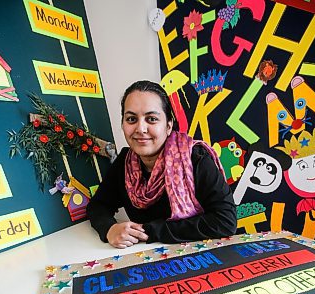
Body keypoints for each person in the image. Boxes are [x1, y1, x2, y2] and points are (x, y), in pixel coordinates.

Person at [87, 80, 237, 248]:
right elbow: (98, 205)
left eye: (151, 119)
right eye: (131, 119)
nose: (140, 128)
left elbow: (225, 221)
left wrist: (149, 231)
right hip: (145, 259)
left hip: (200, 256)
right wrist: (109, 229)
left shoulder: (195, 159)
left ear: (168, 125)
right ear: (122, 124)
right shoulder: (125, 162)